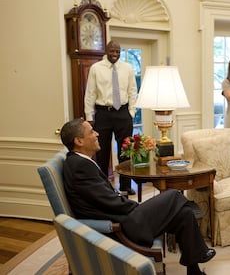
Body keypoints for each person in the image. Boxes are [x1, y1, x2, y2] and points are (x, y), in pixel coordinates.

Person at [60, 118, 216, 275]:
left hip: (122, 217)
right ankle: (199, 249)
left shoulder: (80, 162)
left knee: (184, 213)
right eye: (91, 132)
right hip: (122, 226)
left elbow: (104, 198)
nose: (97, 134)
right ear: (79, 141)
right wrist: (138, 208)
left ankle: (194, 271)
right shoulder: (80, 166)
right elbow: (108, 202)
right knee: (174, 195)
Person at [84, 40, 137, 195]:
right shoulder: (96, 68)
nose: (115, 54)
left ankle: (125, 186)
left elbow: (133, 90)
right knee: (102, 151)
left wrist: (131, 112)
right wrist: (89, 116)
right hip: (103, 114)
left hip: (123, 114)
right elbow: (90, 93)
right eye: (112, 51)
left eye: (118, 51)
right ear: (106, 50)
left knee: (125, 152)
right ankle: (104, 187)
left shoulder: (127, 68)